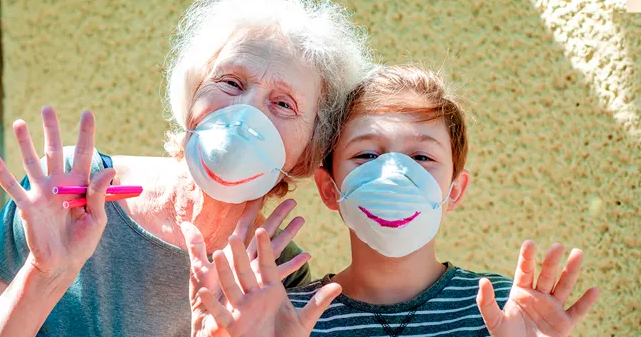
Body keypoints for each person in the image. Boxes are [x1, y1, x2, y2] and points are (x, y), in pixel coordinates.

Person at [0, 0, 373, 335]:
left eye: (283, 104)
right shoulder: (70, 190)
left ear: (307, 151)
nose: (245, 111)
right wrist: (43, 276)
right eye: (231, 82)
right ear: (192, 94)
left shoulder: (275, 275)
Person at [184, 65, 600, 336]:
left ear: (454, 190)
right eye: (367, 155)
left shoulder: (507, 311)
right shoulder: (282, 316)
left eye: (422, 157)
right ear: (330, 189)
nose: (394, 173)